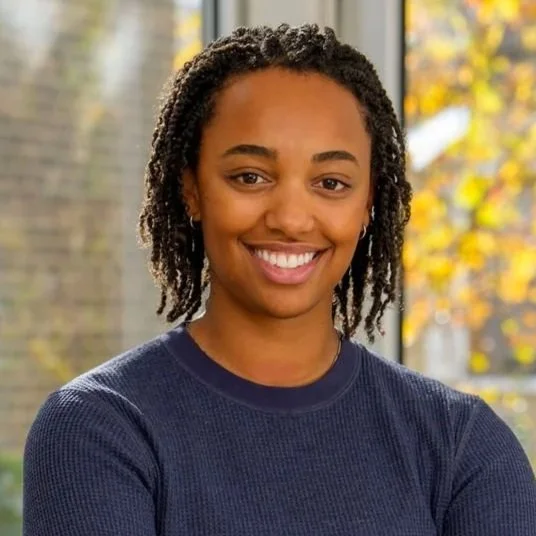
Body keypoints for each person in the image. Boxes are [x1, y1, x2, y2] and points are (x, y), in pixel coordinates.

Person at [23, 23, 535, 536]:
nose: (291, 219)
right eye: (250, 177)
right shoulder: (100, 429)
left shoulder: (461, 446)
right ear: (192, 189)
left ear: (367, 205)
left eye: (331, 183)